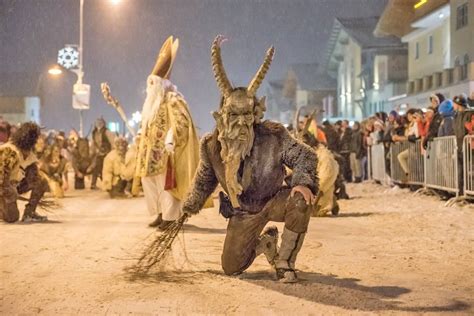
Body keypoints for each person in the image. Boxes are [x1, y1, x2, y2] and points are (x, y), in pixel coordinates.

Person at [181, 36, 318, 283]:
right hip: (242, 212)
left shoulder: (273, 135)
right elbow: (204, 180)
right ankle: (265, 243)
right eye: (235, 114)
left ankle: (285, 262)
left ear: (255, 113)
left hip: (273, 201)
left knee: (300, 201)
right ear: (223, 115)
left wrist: (302, 182)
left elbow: (305, 156)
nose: (242, 122)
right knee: (231, 267)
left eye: (247, 114)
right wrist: (191, 204)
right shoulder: (212, 146)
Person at [136, 36, 202, 230]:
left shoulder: (173, 99)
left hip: (165, 153)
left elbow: (182, 122)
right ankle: (158, 213)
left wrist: (171, 137)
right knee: (149, 184)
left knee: (166, 186)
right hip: (149, 154)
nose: (150, 89)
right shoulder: (150, 104)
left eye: (152, 84)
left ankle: (170, 217)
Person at [0, 122, 48, 222]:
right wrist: (10, 192)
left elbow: (34, 174)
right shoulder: (9, 150)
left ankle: (29, 213)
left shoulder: (28, 153)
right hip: (4, 188)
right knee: (12, 218)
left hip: (14, 185)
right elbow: (2, 178)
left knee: (41, 181)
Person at [453, 94, 473, 193]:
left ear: (458, 104)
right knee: (460, 171)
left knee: (469, 170)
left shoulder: (469, 113)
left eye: (454, 103)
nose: (453, 106)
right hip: (460, 146)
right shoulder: (457, 115)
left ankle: (470, 192)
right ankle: (461, 192)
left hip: (468, 147)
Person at [90, 118, 115, 190]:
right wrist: (92, 152)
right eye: (97, 122)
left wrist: (112, 153)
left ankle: (107, 184)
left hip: (107, 154)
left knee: (105, 169)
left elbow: (112, 142)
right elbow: (93, 144)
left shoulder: (107, 132)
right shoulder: (94, 133)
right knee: (95, 168)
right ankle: (93, 184)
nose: (99, 124)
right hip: (98, 154)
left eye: (100, 122)